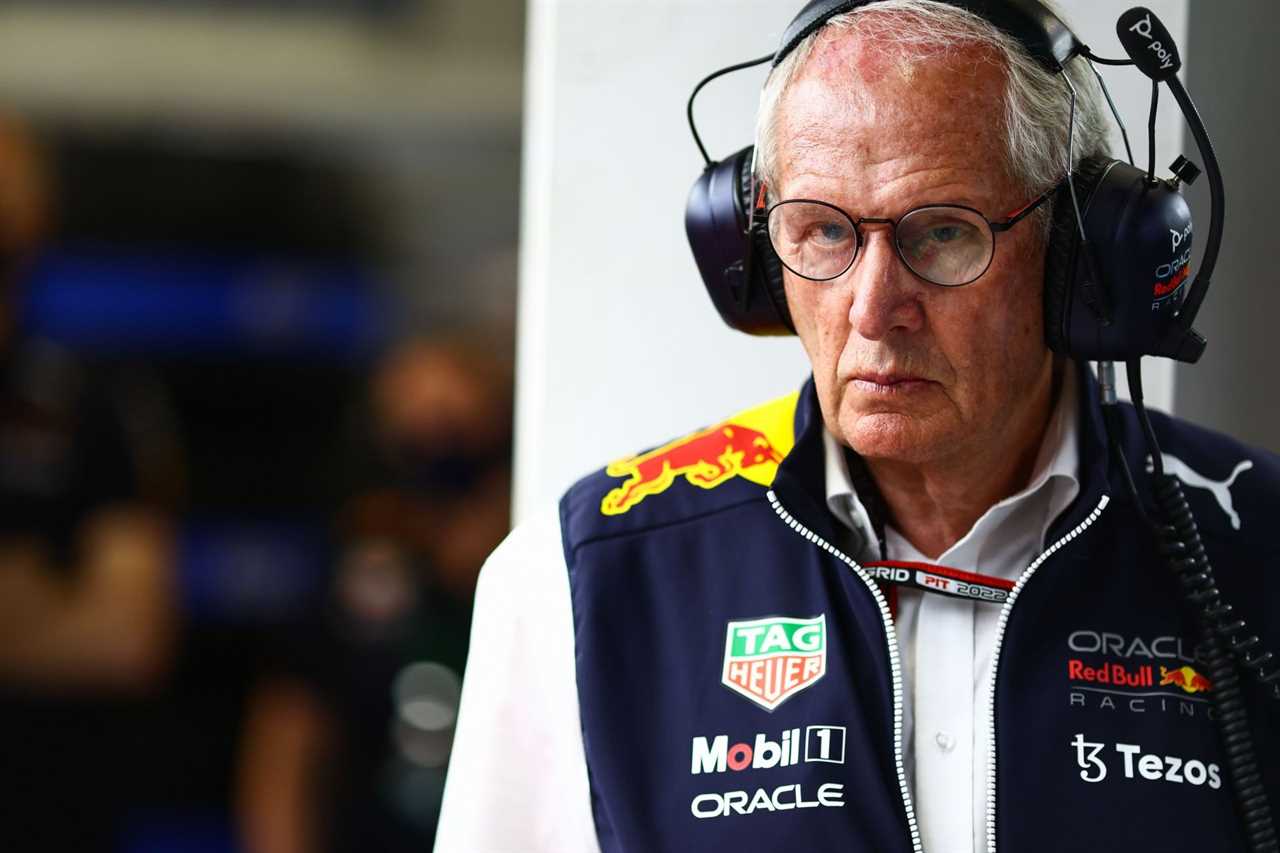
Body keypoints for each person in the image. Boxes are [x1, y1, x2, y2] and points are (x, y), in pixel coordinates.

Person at [436, 2, 1280, 852]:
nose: (874, 309)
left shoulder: (1258, 545)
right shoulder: (583, 576)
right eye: (824, 230)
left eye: (945, 232)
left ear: (1078, 251)